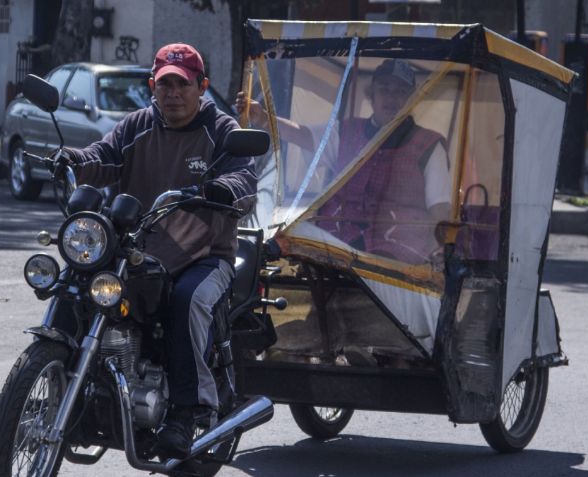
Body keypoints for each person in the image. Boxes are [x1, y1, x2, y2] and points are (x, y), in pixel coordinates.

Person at [57, 43, 257, 459]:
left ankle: (187, 411)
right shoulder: (137, 126)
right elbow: (103, 156)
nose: (173, 93)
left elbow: (244, 177)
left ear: (201, 87)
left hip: (203, 254)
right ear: (152, 85)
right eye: (165, 83)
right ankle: (57, 383)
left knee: (185, 302)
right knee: (75, 283)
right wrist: (71, 159)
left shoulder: (220, 131)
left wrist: (224, 188)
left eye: (182, 84)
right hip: (137, 247)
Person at [236, 58, 450, 264]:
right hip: (338, 243)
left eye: (400, 92)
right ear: (372, 94)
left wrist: (437, 250)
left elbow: (439, 209)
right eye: (385, 89)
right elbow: (302, 135)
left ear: (411, 99)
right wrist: (263, 118)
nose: (391, 98)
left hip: (399, 253)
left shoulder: (429, 145)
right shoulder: (346, 132)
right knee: (287, 239)